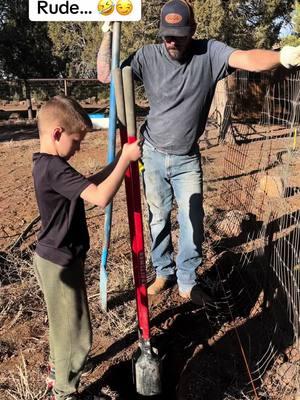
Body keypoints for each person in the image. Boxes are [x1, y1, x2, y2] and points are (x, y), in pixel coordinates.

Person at [97, 0, 300, 303]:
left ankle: (187, 281)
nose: (171, 41)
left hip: (187, 158)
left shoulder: (210, 53)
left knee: (192, 219)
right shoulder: (146, 56)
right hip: (151, 152)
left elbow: (246, 58)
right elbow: (107, 76)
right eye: (166, 34)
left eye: (179, 34)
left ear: (192, 30)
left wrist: (281, 56)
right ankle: (163, 272)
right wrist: (107, 36)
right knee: (158, 218)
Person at [32, 95, 141, 400]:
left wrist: (117, 160)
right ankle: (65, 392)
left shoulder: (47, 164)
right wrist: (125, 161)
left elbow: (89, 184)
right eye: (76, 141)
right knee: (77, 334)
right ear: (56, 133)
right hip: (60, 264)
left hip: (53, 258)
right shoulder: (55, 168)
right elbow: (101, 197)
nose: (78, 148)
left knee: (61, 325)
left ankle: (59, 371)